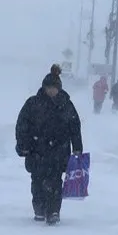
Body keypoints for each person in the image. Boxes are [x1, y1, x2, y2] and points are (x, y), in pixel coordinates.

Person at [15, 64, 84, 225]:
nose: (52, 91)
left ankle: (53, 211)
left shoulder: (66, 105)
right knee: (37, 180)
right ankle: (39, 208)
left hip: (58, 151)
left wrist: (77, 148)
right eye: (49, 88)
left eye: (54, 88)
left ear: (59, 88)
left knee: (55, 181)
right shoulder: (33, 104)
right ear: (44, 88)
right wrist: (23, 145)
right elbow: (22, 125)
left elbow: (75, 127)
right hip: (36, 150)